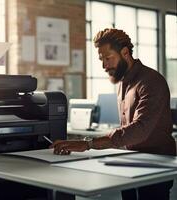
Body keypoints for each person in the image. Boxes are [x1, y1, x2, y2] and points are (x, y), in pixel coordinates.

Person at [50, 28, 176, 200]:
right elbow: (126, 130)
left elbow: (140, 129)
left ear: (125, 53)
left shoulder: (151, 81)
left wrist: (87, 144)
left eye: (108, 58)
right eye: (101, 59)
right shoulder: (123, 83)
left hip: (156, 164)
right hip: (132, 161)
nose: (104, 65)